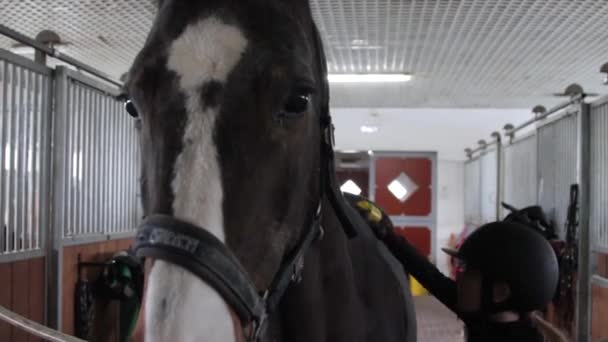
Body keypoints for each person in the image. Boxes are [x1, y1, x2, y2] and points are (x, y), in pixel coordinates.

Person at [346, 194, 568, 342]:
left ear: (499, 292)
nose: (459, 277)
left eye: (468, 272)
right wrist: (389, 236)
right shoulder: (483, 312)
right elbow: (430, 277)